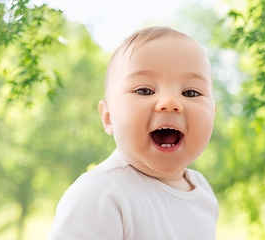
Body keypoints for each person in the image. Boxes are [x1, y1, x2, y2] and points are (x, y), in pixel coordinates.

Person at [47, 26, 218, 240]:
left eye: (190, 92)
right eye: (144, 91)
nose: (170, 102)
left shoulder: (203, 193)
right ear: (108, 118)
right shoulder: (100, 194)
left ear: (213, 114)